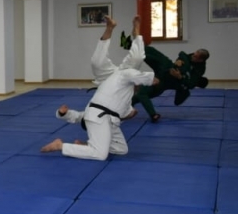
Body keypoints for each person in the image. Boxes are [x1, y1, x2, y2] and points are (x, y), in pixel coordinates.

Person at [42, 17, 154, 160]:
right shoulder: (125, 98)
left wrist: (63, 113)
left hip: (110, 80)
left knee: (97, 62)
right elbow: (124, 113)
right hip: (119, 80)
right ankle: (134, 31)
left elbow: (77, 116)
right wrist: (130, 114)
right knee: (137, 58)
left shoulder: (96, 111)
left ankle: (110, 28)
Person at [130, 45, 210, 120]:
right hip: (165, 71)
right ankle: (153, 115)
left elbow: (189, 85)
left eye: (195, 57)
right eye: (194, 54)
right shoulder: (188, 58)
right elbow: (182, 54)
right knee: (151, 53)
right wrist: (180, 62)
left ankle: (131, 106)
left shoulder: (198, 71)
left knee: (142, 94)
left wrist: (180, 77)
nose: (192, 56)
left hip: (166, 81)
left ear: (200, 60)